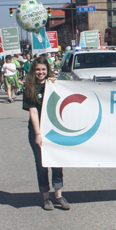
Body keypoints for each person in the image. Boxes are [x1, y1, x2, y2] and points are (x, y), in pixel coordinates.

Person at [22, 55, 71, 210]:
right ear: (33, 71)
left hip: (54, 130)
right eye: (37, 69)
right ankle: (45, 198)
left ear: (47, 70)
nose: (40, 72)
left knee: (57, 162)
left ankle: (58, 196)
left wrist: (58, 84)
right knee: (42, 164)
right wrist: (38, 134)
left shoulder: (52, 85)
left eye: (43, 69)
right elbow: (33, 113)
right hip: (37, 131)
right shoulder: (29, 88)